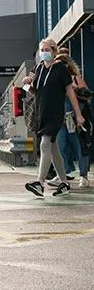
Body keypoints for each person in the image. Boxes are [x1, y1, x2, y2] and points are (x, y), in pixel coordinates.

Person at [22, 38, 85, 197]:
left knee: (45, 144)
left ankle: (39, 183)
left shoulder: (61, 70)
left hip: (55, 114)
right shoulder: (38, 69)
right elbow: (35, 92)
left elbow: (70, 93)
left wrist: (78, 114)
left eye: (47, 50)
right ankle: (64, 182)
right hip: (41, 114)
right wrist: (27, 84)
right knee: (54, 149)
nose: (44, 53)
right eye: (41, 50)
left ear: (54, 51)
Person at [51, 48, 90, 188]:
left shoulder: (75, 78)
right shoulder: (55, 81)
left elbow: (87, 94)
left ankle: (83, 175)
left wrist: (74, 88)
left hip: (75, 119)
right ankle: (64, 173)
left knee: (80, 147)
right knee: (60, 147)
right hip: (61, 120)